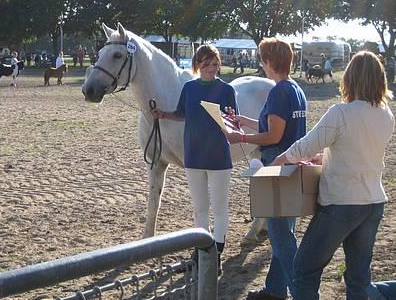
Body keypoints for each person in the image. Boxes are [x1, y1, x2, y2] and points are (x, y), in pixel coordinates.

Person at [272, 51, 394, 300]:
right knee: (359, 279)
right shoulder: (386, 115)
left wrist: (279, 160)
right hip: (372, 203)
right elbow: (361, 151)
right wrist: (327, 157)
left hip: (341, 204)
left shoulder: (341, 113)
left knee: (304, 270)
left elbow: (305, 146)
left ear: (350, 78)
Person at [225, 37, 307, 300]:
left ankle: (303, 293)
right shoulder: (296, 89)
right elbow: (276, 127)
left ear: (270, 62)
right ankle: (274, 289)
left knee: (282, 239)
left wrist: (242, 138)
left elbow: (273, 136)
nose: (262, 65)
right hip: (293, 167)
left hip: (276, 166)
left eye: (262, 60)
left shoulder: (278, 91)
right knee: (284, 235)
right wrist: (243, 121)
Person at [150, 44, 238, 275]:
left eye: (214, 64)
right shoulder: (189, 88)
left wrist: (229, 119)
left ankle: (216, 252)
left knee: (219, 208)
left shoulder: (227, 90)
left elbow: (233, 121)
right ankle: (202, 253)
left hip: (219, 156)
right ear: (198, 65)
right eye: (206, 64)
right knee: (200, 209)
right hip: (194, 155)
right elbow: (182, 113)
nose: (211, 68)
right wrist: (163, 114)